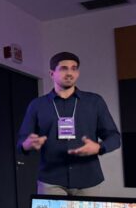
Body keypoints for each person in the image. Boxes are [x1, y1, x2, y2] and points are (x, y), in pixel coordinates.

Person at [17, 51, 121, 196]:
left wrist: (99, 147)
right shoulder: (37, 105)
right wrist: (26, 145)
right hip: (51, 180)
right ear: (52, 73)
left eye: (74, 68)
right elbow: (22, 139)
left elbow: (114, 137)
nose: (70, 73)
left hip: (88, 179)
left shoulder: (94, 102)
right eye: (64, 68)